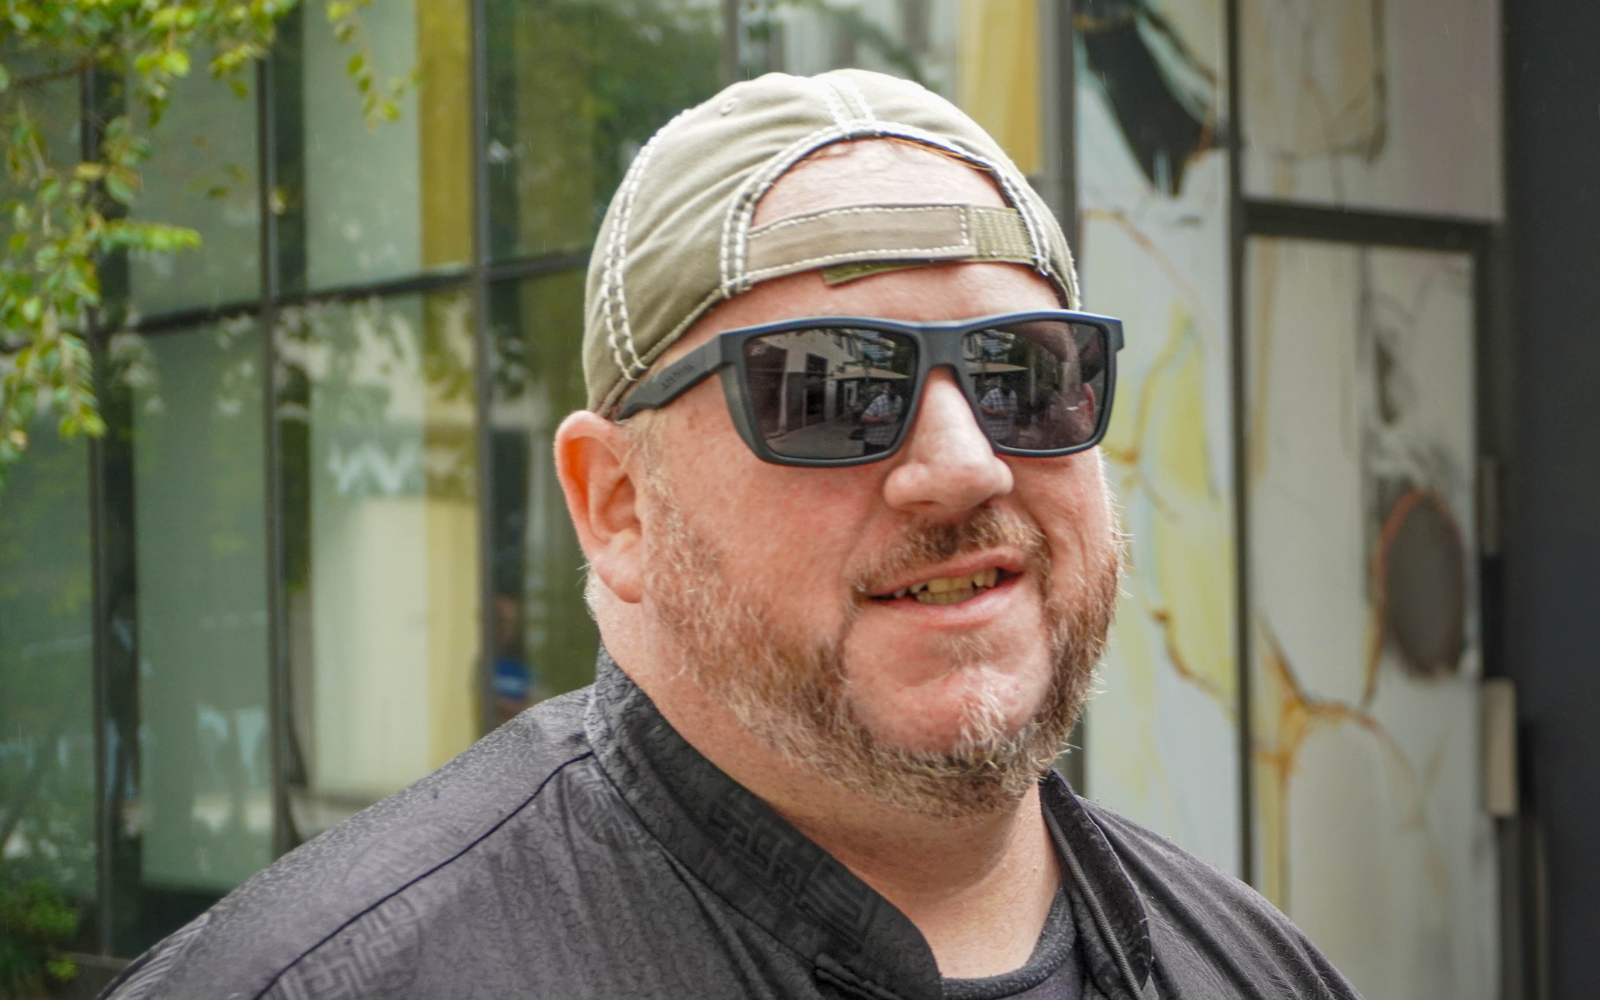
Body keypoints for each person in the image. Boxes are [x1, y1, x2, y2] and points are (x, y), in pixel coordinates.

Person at [101, 70, 1361, 1000]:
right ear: (618, 505)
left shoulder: (1257, 969)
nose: (962, 463)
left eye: (1023, 374)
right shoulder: (317, 981)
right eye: (831, 387)